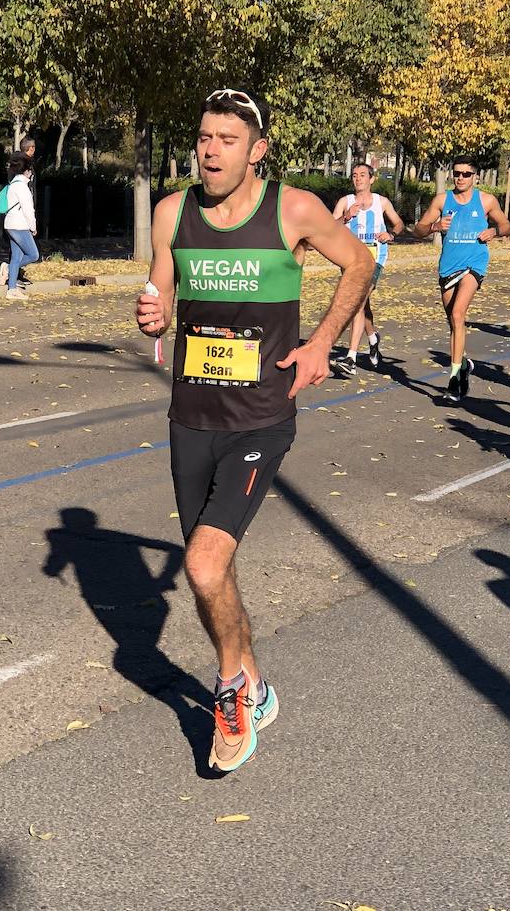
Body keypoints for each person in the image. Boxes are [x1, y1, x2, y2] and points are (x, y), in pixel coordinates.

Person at [135, 88, 371, 773]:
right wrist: (151, 316)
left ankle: (231, 688)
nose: (210, 150)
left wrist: (324, 340)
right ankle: (249, 677)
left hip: (261, 417)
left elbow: (359, 262)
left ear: (257, 149)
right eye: (204, 137)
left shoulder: (292, 208)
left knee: (203, 564)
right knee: (216, 570)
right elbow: (159, 296)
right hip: (191, 417)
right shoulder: (172, 212)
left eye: (227, 140)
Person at [415, 156, 510, 404]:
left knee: (458, 315)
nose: (460, 178)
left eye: (466, 174)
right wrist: (436, 226)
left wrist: (493, 231)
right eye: (456, 173)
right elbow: (418, 229)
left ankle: (454, 379)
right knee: (453, 322)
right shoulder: (441, 200)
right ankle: (465, 364)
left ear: (475, 177)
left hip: (474, 264)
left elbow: (506, 225)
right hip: (449, 266)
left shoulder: (486, 200)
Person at [329, 163, 404, 374]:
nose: (358, 178)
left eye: (362, 175)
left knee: (358, 302)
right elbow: (328, 228)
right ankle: (373, 338)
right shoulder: (346, 202)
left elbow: (399, 224)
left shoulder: (382, 202)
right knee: (363, 304)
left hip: (374, 258)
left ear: (371, 179)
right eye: (354, 175)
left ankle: (351, 359)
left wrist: (391, 234)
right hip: (350, 259)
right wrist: (346, 217)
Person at [0, 152, 39, 300]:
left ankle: (12, 289)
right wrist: (33, 227)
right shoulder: (23, 188)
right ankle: (7, 269)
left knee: (16, 257)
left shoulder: (13, 184)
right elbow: (28, 210)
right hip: (20, 226)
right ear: (26, 171)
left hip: (10, 224)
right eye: (31, 171)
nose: (31, 173)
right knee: (33, 254)